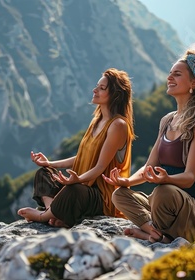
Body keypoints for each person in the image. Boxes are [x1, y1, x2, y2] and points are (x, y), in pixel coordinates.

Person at [103, 43, 195, 243]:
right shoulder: (167, 120)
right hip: (166, 204)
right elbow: (148, 167)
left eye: (177, 74)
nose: (169, 77)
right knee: (119, 196)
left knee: (162, 192)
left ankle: (152, 232)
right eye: (170, 73)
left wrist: (165, 179)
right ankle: (156, 233)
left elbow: (189, 177)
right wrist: (126, 181)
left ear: (193, 82)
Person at [17, 68, 135, 228]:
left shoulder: (118, 125)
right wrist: (50, 164)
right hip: (81, 187)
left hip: (101, 197)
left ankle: (43, 216)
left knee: (74, 190)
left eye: (102, 88)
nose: (95, 90)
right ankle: (55, 212)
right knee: (43, 174)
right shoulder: (96, 122)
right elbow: (81, 157)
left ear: (115, 95)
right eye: (97, 86)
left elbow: (100, 166)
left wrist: (78, 180)